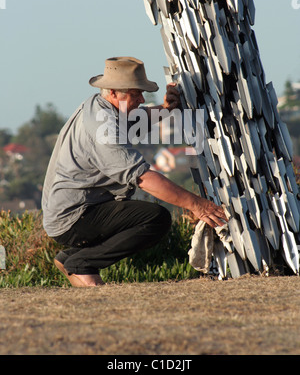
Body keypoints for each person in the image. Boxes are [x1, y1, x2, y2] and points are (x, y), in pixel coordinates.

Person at [42, 56, 227, 287]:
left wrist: (165, 109)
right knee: (155, 219)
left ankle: (71, 259)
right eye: (135, 94)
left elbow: (136, 119)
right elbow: (142, 178)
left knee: (145, 215)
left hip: (73, 210)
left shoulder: (99, 106)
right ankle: (82, 263)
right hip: (74, 216)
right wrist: (196, 205)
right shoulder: (104, 129)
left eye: (141, 93)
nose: (142, 99)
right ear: (112, 92)